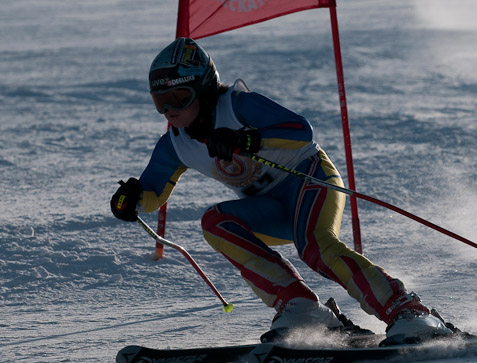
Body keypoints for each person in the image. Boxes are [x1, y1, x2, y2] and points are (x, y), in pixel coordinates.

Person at [111, 37, 453, 345]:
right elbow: (153, 192)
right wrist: (133, 199)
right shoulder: (175, 144)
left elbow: (301, 132)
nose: (171, 110)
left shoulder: (238, 105)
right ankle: (301, 307)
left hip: (311, 180)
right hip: (270, 207)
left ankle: (409, 311)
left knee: (316, 246)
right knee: (215, 223)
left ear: (203, 89)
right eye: (161, 102)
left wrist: (247, 139)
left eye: (179, 98)